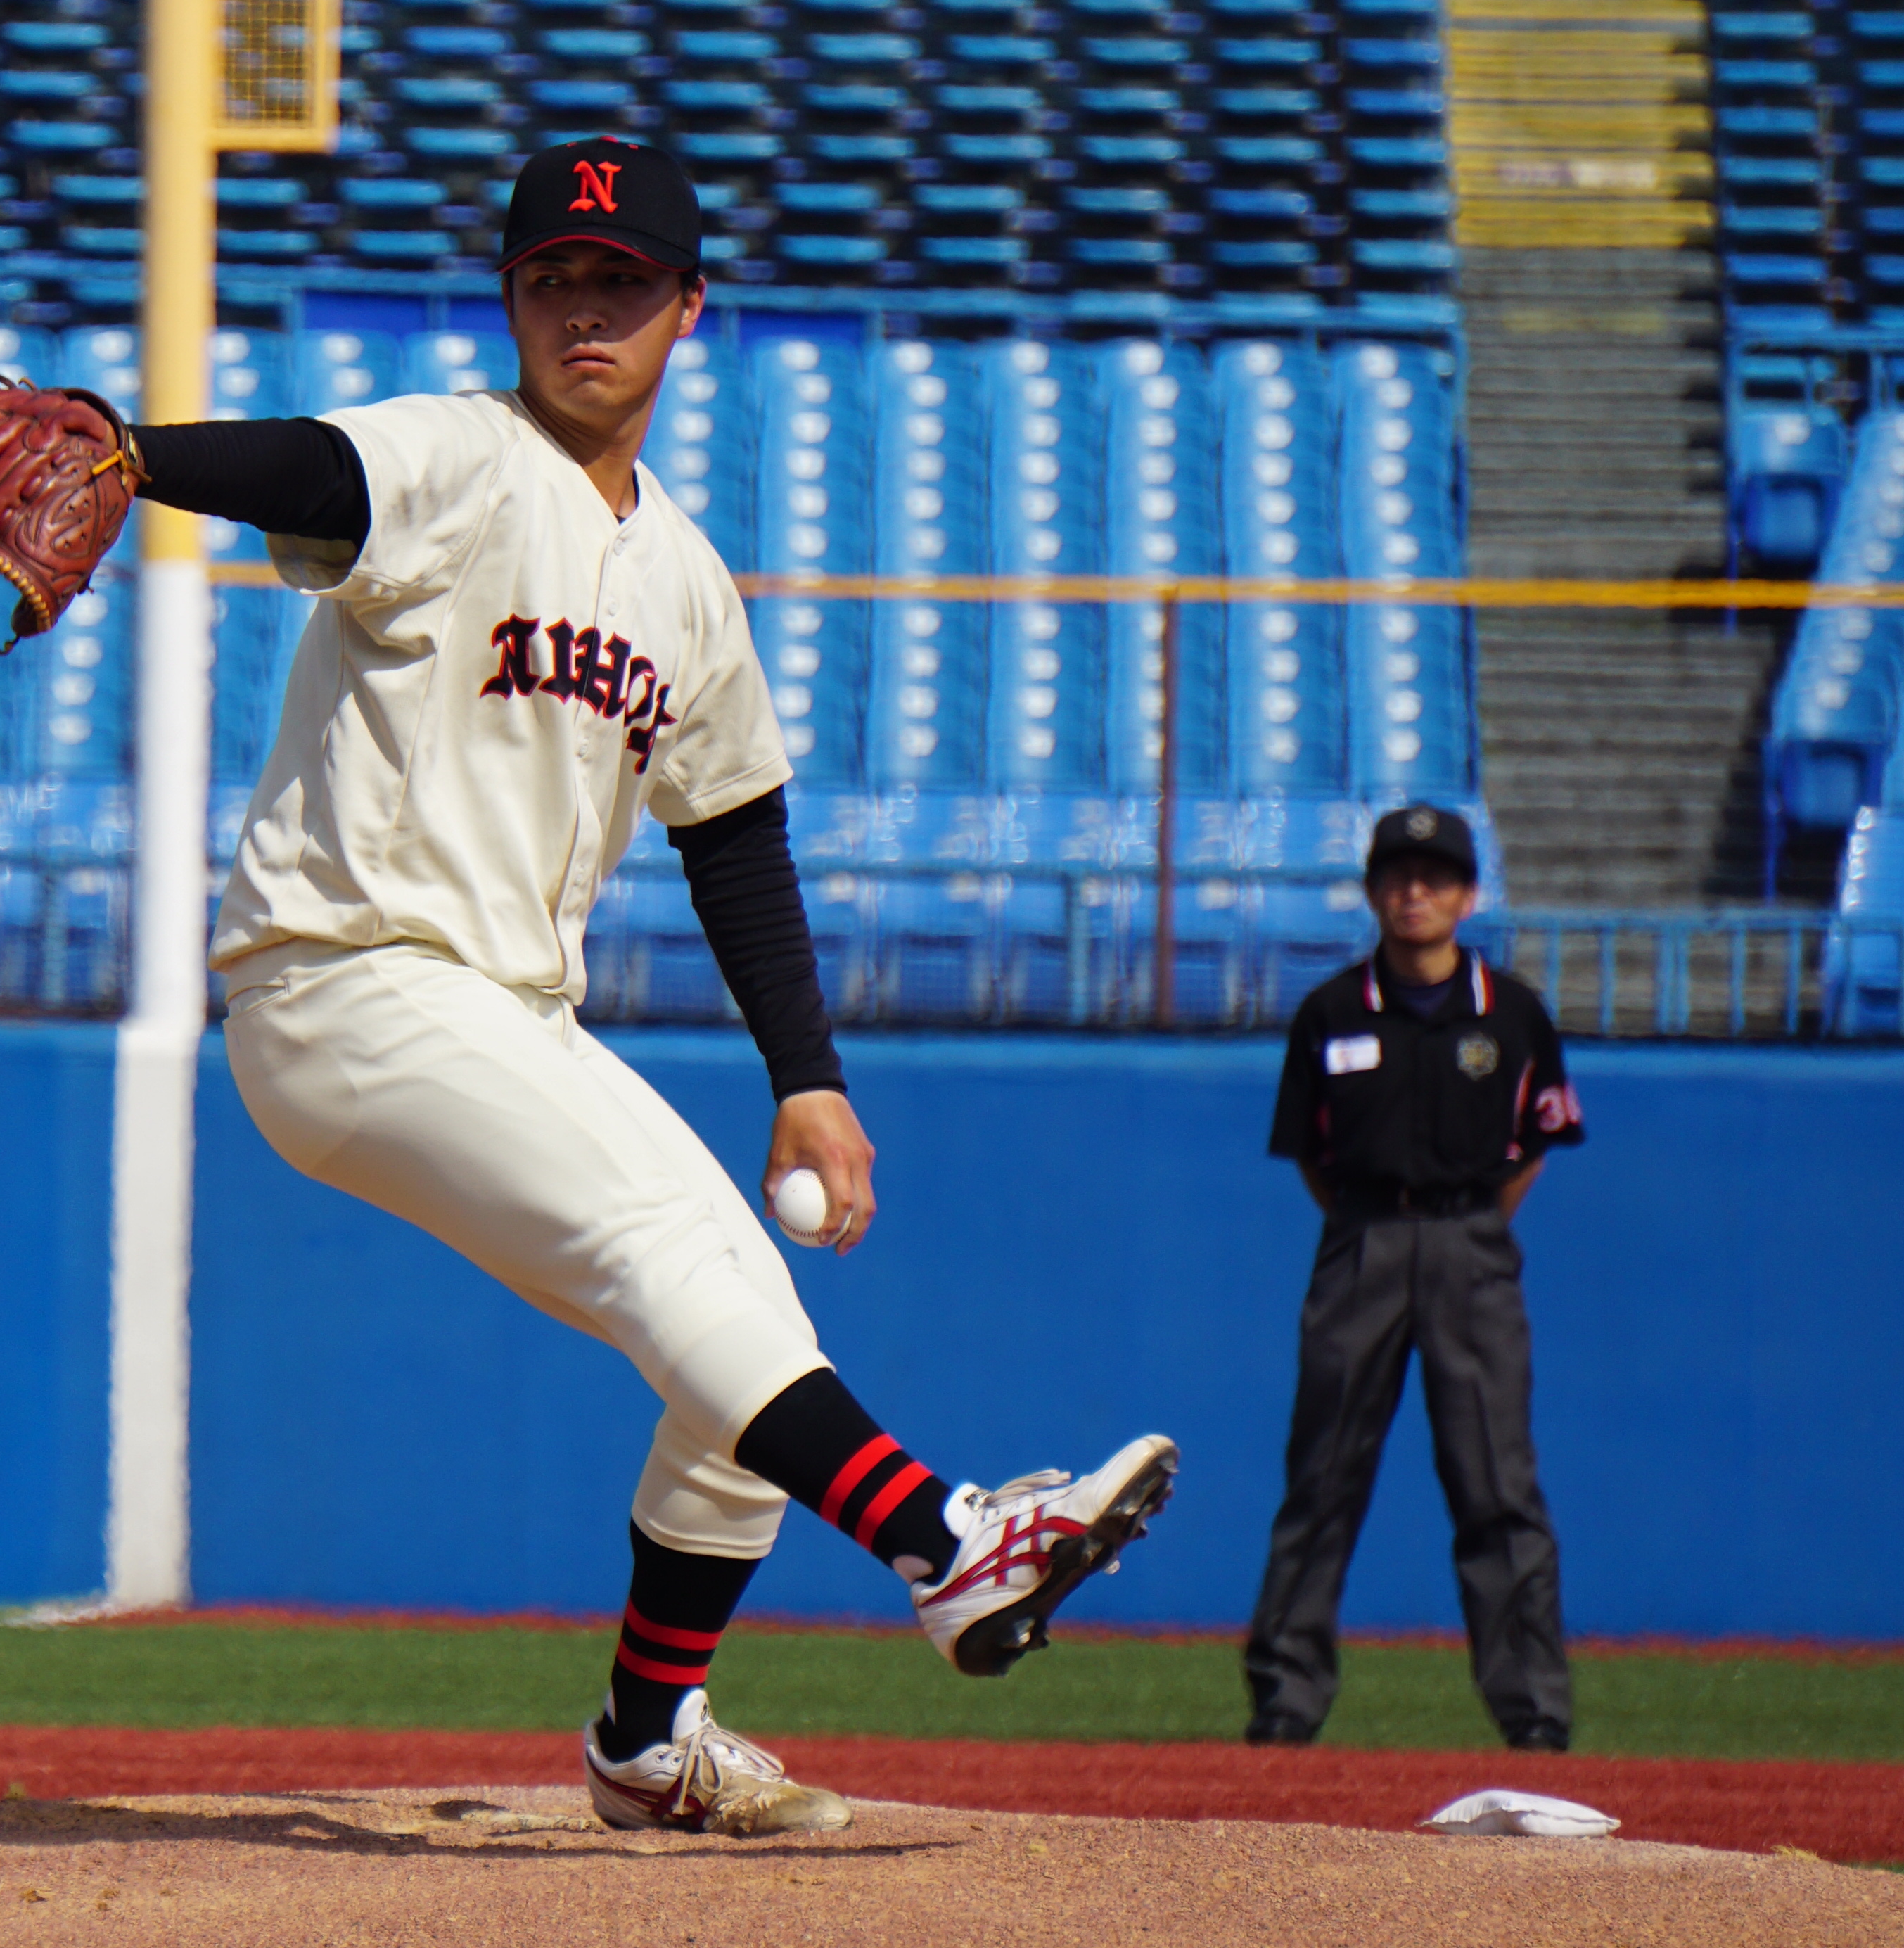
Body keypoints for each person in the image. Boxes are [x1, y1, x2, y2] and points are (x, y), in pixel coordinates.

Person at [114, 139, 1179, 1835]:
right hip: (350, 980)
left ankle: (644, 1730)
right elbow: (319, 470)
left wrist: (809, 1076)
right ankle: (945, 1542)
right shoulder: (465, 453)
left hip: (502, 1011)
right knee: (670, 1260)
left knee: (744, 1317)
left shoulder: (683, 576)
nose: (582, 309)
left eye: (618, 282)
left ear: (689, 307)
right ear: (512, 298)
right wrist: (134, 451)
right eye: (552, 278)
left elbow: (734, 837)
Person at [1246, 803, 1585, 1752]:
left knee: (1497, 1484)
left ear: (1468, 895)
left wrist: (1460, 1226)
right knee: (1322, 1474)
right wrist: (1380, 1225)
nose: (1415, 892)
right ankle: (1287, 1699)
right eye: (1397, 875)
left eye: (1435, 876)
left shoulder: (1512, 1012)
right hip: (1362, 1241)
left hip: (1472, 1245)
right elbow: (1311, 1155)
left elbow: (1534, 1148)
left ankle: (1535, 1711)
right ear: (1372, 891)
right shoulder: (1331, 1012)